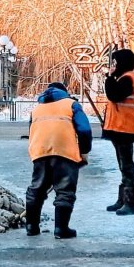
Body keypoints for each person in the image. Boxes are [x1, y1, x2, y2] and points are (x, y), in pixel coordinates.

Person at [25, 82, 92, 239]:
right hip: (64, 152)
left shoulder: (36, 109)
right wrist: (84, 151)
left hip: (40, 151)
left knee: (37, 188)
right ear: (64, 92)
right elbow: (84, 130)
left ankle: (31, 226)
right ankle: (61, 229)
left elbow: (32, 131)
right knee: (64, 190)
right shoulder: (71, 104)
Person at [103, 49, 134, 216]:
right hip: (120, 127)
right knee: (123, 164)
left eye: (116, 62)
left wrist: (109, 78)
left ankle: (130, 202)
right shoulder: (124, 77)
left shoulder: (128, 79)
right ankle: (123, 199)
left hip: (125, 128)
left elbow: (114, 95)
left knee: (126, 165)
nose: (114, 66)